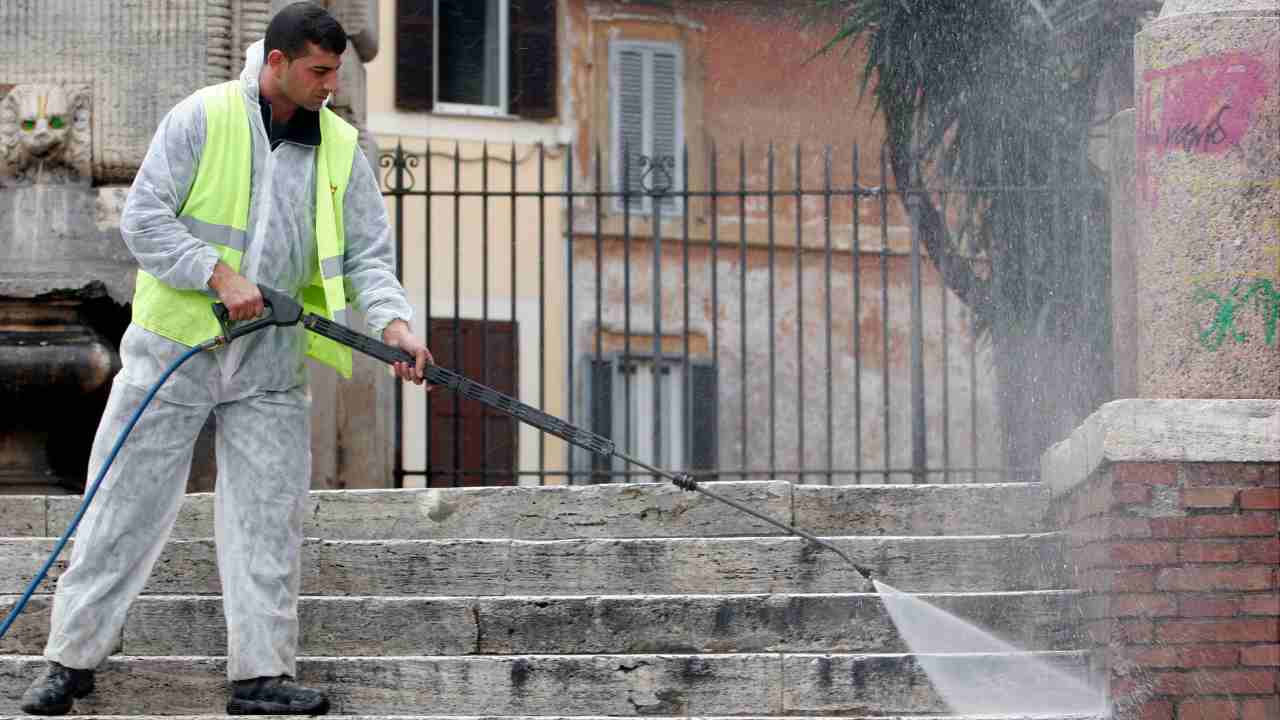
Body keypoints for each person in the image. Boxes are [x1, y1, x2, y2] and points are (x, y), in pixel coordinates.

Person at [20, 3, 432, 715]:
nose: (332, 83)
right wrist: (217, 274)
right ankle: (70, 659)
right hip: (175, 352)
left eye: (336, 70)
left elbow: (369, 255)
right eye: (320, 70)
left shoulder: (339, 147)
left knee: (270, 516)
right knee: (120, 505)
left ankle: (261, 676)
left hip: (270, 365)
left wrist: (395, 324)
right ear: (277, 63)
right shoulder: (202, 117)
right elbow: (144, 216)